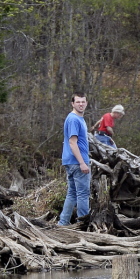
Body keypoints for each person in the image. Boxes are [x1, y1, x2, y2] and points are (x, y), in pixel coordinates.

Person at [58, 92, 91, 226]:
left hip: (72, 161)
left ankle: (63, 223)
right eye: (78, 102)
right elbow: (72, 142)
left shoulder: (79, 119)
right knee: (83, 194)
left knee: (72, 193)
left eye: (83, 101)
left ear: (86, 103)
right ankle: (83, 224)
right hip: (77, 162)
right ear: (72, 104)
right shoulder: (73, 119)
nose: (81, 104)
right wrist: (82, 163)